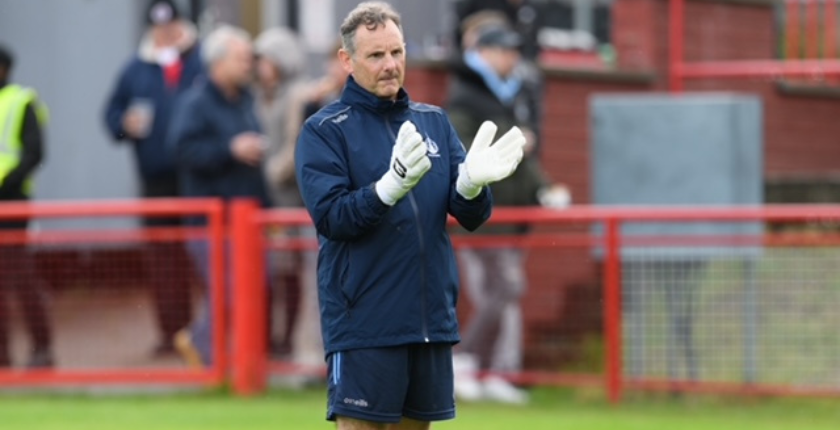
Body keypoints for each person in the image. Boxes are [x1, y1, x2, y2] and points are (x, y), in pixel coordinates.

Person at [294, 2, 526, 428]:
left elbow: (472, 215)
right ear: (347, 60)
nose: (390, 65)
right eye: (376, 55)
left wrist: (472, 186)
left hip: (428, 321)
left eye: (397, 52)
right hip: (363, 320)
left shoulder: (433, 122)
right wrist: (387, 188)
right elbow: (332, 217)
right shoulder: (324, 130)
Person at [446, 24, 571, 404]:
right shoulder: (465, 96)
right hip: (482, 219)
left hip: (512, 217)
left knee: (504, 296)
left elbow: (522, 155)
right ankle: (464, 360)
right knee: (505, 290)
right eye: (503, 50)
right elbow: (466, 156)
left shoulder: (512, 93)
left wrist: (544, 187)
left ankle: (494, 369)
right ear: (483, 51)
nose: (511, 58)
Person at [102, 0, 202, 356]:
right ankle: (170, 333)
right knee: (162, 258)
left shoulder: (201, 59)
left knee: (201, 255)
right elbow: (111, 113)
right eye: (158, 29)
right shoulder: (135, 68)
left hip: (196, 179)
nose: (165, 34)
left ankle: (204, 335)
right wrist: (123, 125)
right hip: (155, 180)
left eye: (170, 27)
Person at [168, 25, 268, 366]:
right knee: (230, 290)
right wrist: (230, 149)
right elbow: (182, 150)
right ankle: (209, 357)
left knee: (249, 287)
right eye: (241, 58)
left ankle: (219, 356)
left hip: (247, 217)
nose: (248, 65)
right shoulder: (195, 103)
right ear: (218, 62)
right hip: (211, 221)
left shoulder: (246, 101)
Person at [252, 27, 313, 360]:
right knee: (272, 272)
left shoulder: (298, 95)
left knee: (290, 272)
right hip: (266, 199)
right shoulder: (260, 96)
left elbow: (297, 144)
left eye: (266, 60)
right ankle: (270, 338)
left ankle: (288, 338)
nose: (261, 67)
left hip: (290, 199)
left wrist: (273, 169)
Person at [0, 43, 54, 368]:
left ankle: (42, 347)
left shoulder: (23, 101)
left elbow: (35, 153)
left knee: (18, 274)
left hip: (12, 202)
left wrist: (8, 182)